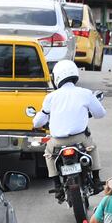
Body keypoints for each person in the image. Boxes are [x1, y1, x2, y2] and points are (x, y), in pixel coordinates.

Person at [33, 59, 105, 195]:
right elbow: (100, 113)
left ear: (57, 77)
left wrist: (35, 123)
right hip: (80, 139)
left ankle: (57, 186)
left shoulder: (51, 97)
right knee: (92, 148)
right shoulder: (85, 93)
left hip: (57, 141)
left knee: (48, 154)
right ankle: (96, 180)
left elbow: (38, 121)